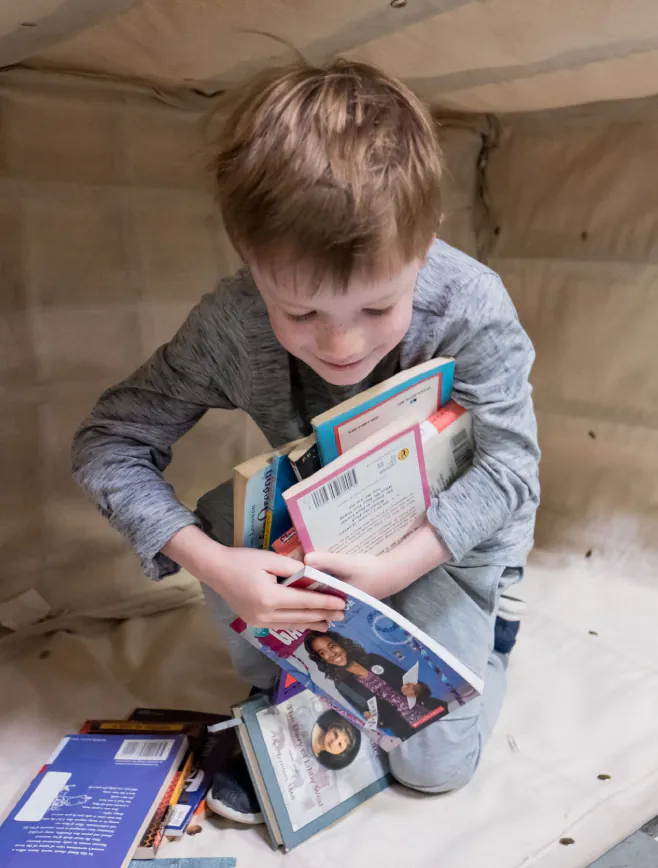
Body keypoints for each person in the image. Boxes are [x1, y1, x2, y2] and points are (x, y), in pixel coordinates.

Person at [71, 59, 539, 820]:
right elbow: (108, 442)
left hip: (447, 536)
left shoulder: (470, 305)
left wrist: (397, 569)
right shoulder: (233, 324)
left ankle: (497, 626)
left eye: (378, 308)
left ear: (425, 247)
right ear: (251, 266)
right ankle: (284, 685)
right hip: (324, 534)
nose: (343, 346)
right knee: (221, 518)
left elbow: (511, 469)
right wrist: (215, 566)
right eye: (301, 314)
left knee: (431, 767)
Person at [305, 632, 446, 740]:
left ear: (341, 644)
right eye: (323, 653)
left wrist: (417, 689)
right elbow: (374, 718)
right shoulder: (341, 685)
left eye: (332, 646)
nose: (331, 654)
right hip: (410, 731)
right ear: (321, 659)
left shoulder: (373, 659)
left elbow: (422, 688)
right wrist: (370, 716)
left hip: (430, 712)